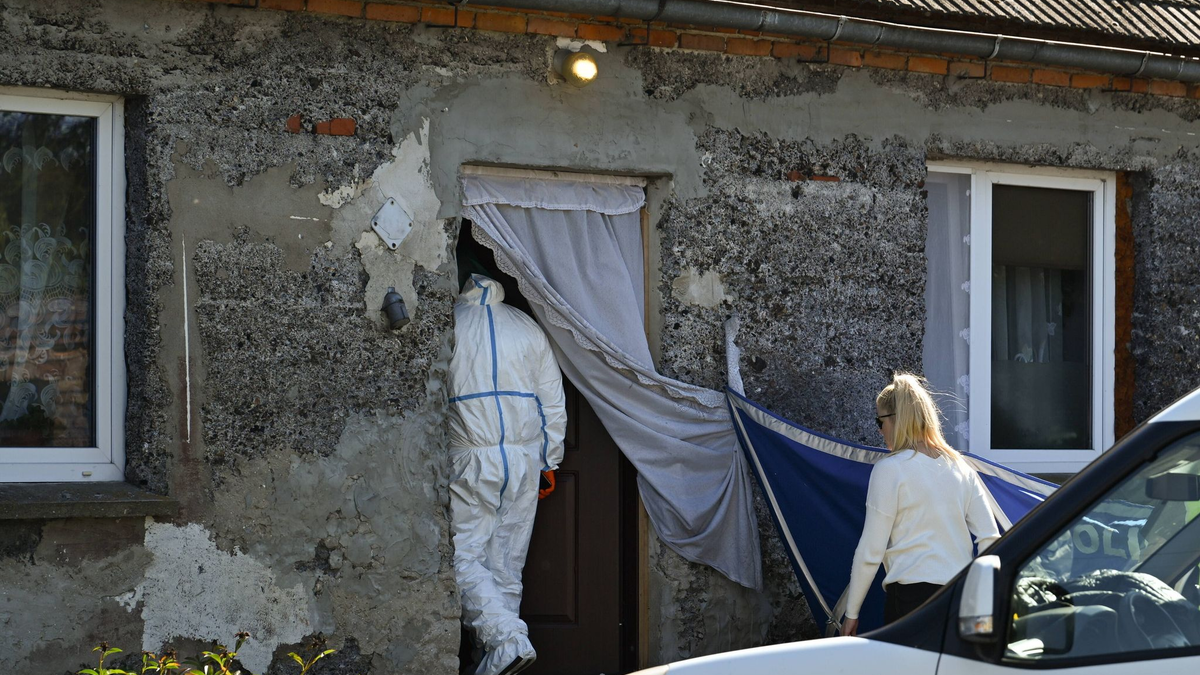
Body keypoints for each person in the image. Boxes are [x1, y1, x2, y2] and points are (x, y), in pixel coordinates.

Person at [449, 274, 567, 675]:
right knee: (506, 565)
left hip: (471, 457)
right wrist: (549, 460)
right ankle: (493, 662)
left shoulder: (451, 323)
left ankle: (506, 642)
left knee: (462, 556)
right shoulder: (525, 325)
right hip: (523, 460)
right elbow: (552, 399)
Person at [840, 373, 1000, 636]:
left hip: (910, 602)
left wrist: (851, 614)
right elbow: (990, 539)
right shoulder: (961, 468)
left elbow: (870, 552)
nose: (879, 430)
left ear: (895, 419)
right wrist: (981, 600)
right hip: (960, 598)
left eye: (879, 421)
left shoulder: (890, 470)